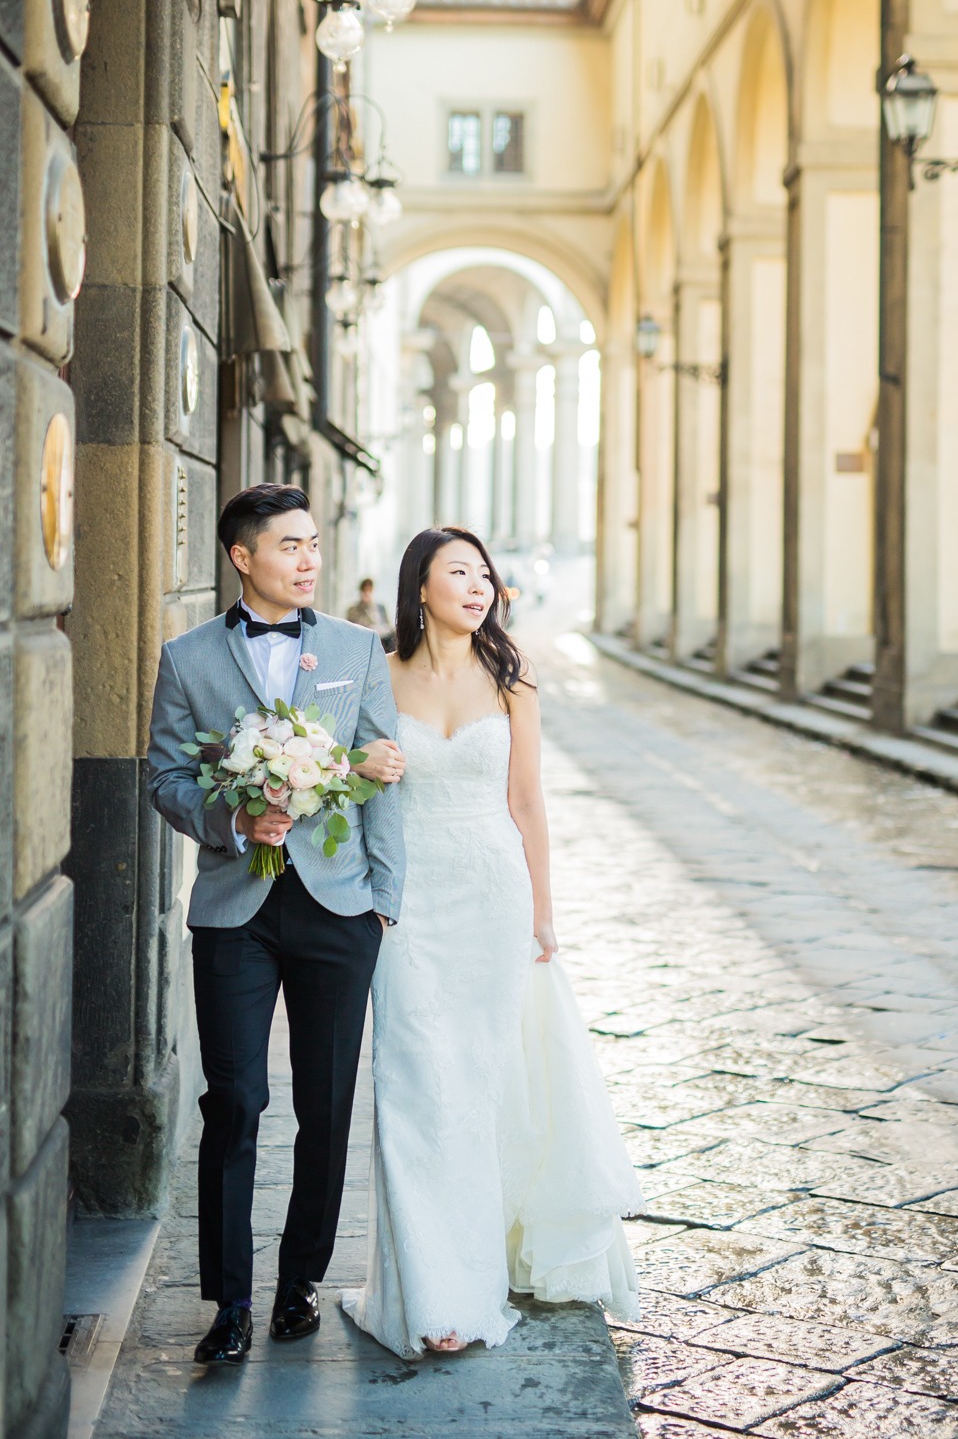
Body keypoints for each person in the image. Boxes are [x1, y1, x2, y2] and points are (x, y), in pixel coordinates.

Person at [343, 526, 642, 1358]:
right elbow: (348, 779)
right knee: (413, 1087)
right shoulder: (378, 670)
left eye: (484, 574)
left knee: (478, 1087)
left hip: (492, 895)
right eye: (458, 572)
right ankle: (431, 1294)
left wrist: (543, 911)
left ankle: (477, 1275)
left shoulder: (512, 674)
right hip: (405, 905)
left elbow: (529, 803)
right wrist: (358, 768)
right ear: (421, 586)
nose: (478, 587)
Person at [147, 484, 405, 1367]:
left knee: (327, 1108)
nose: (308, 560)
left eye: (313, 544)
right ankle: (229, 1303)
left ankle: (300, 1283)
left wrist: (386, 898)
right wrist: (234, 822)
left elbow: (385, 774)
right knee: (236, 1105)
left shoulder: (355, 648)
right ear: (242, 557)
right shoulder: (185, 659)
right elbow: (167, 779)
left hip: (338, 906)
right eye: (288, 545)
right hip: (235, 911)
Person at [346, 576, 395, 651]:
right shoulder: (354, 610)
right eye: (365, 591)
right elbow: (352, 629)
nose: (367, 594)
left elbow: (388, 625)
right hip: (365, 640)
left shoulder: (380, 608)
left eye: (369, 591)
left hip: (382, 639)